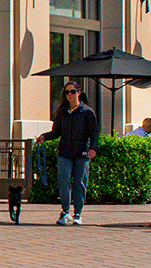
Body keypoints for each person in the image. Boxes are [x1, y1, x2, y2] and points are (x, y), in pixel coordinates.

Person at [40, 81, 99, 225]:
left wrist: (94, 148)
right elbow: (57, 131)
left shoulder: (87, 112)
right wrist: (45, 137)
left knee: (80, 183)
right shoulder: (62, 112)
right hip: (65, 152)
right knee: (63, 181)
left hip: (82, 153)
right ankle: (65, 212)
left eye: (72, 92)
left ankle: (77, 213)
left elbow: (94, 131)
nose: (70, 95)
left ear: (79, 92)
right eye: (67, 92)